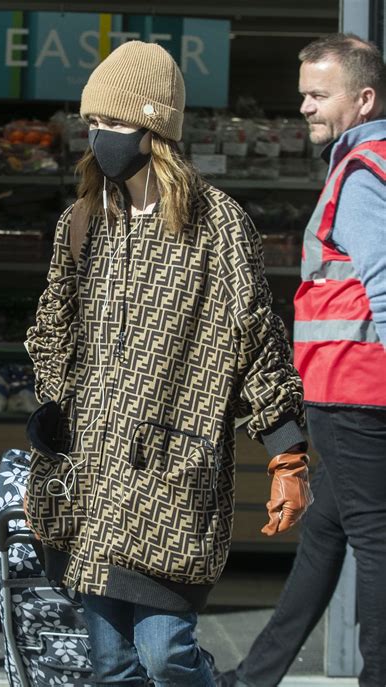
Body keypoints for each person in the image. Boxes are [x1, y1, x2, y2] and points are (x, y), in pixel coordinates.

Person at [24, 40, 312, 687]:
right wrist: (53, 400)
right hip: (90, 479)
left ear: (153, 127)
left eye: (112, 123)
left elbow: (256, 339)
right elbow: (50, 327)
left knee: (167, 654)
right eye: (91, 124)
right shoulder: (82, 222)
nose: (97, 137)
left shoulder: (218, 227)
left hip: (170, 480)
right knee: (110, 664)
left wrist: (286, 451)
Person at [221, 33, 386, 687]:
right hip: (352, 389)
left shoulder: (362, 175)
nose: (306, 109)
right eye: (303, 96)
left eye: (319, 96)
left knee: (373, 537)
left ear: (364, 98)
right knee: (325, 531)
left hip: (353, 390)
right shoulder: (369, 163)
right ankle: (256, 675)